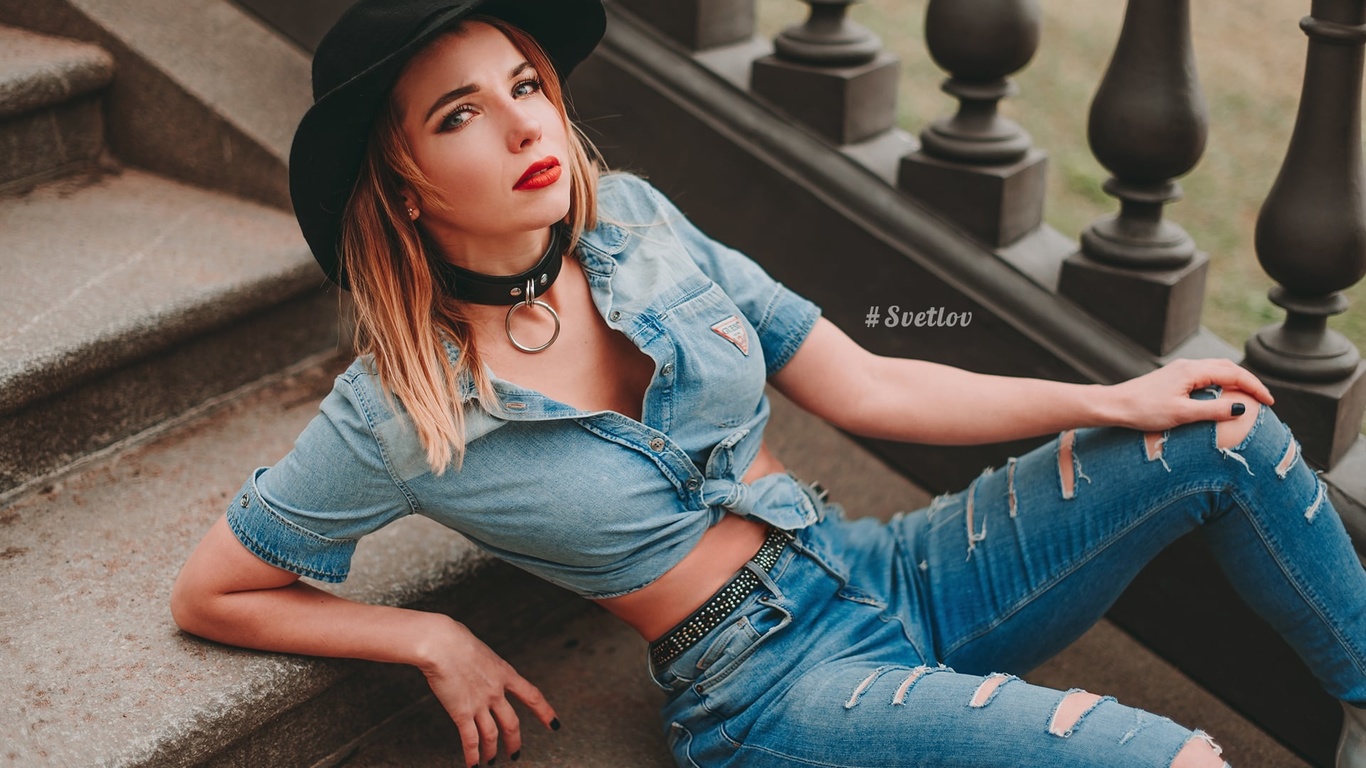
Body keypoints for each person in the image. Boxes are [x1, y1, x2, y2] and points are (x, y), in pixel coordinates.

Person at [169, 1, 1366, 766]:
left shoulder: (636, 223)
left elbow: (872, 384)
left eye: (525, 83)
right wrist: (426, 634)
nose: (522, 124)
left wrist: (1114, 399)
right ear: (408, 185)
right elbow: (216, 591)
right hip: (767, 685)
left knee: (1229, 431)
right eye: (459, 115)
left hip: (881, 567)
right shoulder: (398, 406)